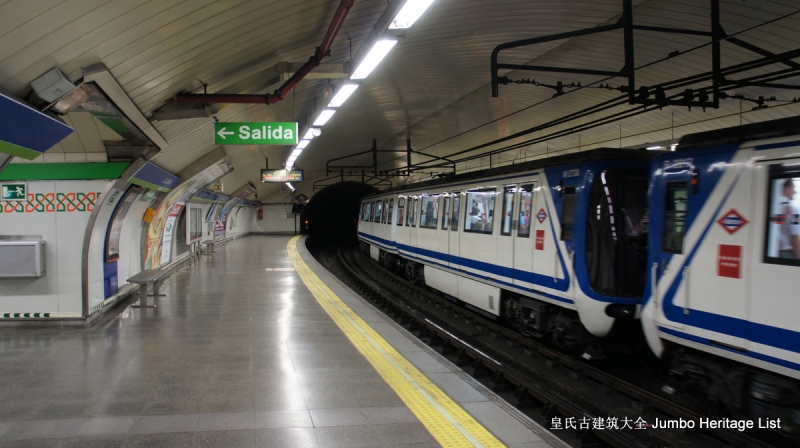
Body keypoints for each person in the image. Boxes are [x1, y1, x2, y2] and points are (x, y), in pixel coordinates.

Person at [779, 178, 800, 258]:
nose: (795, 192)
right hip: (788, 254)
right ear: (786, 189)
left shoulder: (774, 208)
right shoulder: (794, 211)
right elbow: (795, 238)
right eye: (792, 188)